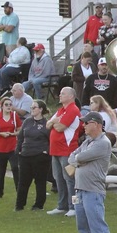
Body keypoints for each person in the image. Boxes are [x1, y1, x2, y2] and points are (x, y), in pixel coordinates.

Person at [66, 111, 117, 233]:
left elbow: (79, 158)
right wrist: (78, 159)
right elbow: (71, 157)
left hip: (93, 191)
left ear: (95, 124)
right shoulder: (88, 141)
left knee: (97, 225)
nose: (83, 125)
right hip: (80, 189)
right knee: (82, 225)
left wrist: (78, 160)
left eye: (86, 123)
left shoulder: (103, 142)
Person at [46, 87, 81, 217]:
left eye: (63, 93)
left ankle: (74, 206)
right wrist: (55, 121)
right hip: (55, 150)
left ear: (71, 96)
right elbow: (47, 125)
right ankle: (62, 205)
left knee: (70, 179)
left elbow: (60, 127)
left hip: (67, 150)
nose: (60, 95)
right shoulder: (61, 110)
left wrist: (54, 122)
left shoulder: (73, 109)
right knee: (58, 178)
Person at [14, 99, 51, 211]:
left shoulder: (46, 124)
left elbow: (51, 140)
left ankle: (38, 205)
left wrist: (46, 151)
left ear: (40, 109)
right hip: (25, 155)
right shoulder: (27, 121)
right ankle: (19, 205)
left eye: (34, 107)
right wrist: (18, 150)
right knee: (23, 181)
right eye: (31, 108)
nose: (32, 110)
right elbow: (21, 137)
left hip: (40, 156)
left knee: (40, 181)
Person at [0, 95, 21, 199]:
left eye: (10, 104)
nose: (8, 106)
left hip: (12, 146)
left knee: (15, 168)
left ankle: (19, 191)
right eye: (6, 105)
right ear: (2, 106)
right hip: (0, 147)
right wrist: (1, 134)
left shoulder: (14, 116)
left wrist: (13, 134)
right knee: (1, 171)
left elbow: (20, 129)